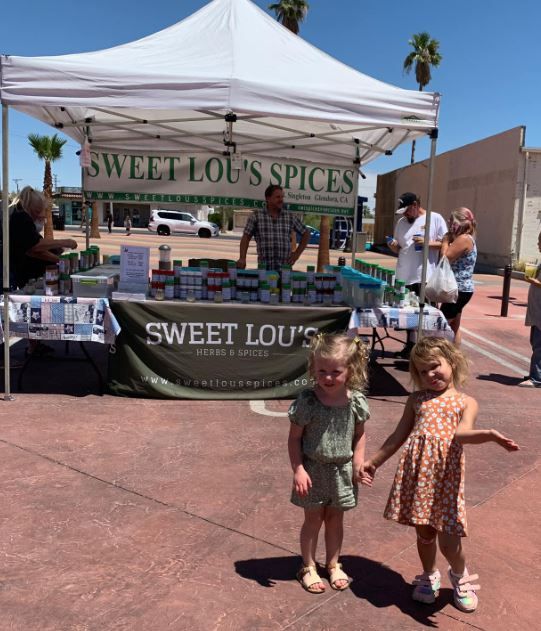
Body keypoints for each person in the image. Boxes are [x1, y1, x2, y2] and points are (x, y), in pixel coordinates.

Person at [360, 337, 519, 613]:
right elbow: (398, 435)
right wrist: (374, 462)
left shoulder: (465, 402)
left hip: (445, 478)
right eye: (422, 371)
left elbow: (462, 434)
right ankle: (429, 574)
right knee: (424, 532)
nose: (430, 374)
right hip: (418, 476)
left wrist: (489, 435)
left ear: (452, 362)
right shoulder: (416, 399)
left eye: (434, 366)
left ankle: (459, 576)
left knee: (449, 538)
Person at [288, 333, 370, 594]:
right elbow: (293, 439)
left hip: (342, 472)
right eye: (322, 371)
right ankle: (308, 566)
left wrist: (358, 464)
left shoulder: (355, 401)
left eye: (335, 371)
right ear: (313, 369)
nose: (328, 377)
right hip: (313, 470)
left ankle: (333, 563)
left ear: (351, 369)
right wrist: (299, 469)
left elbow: (359, 435)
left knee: (335, 519)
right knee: (313, 520)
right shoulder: (307, 401)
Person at [9, 186, 78, 356]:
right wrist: (65, 243)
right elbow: (34, 247)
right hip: (18, 271)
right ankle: (23, 351)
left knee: (32, 309)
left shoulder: (20, 216)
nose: (41, 214)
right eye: (39, 210)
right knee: (27, 308)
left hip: (22, 270)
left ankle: (34, 346)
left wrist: (58, 258)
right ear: (33, 207)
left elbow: (34, 248)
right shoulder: (21, 218)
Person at [387, 192, 447, 358]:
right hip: (404, 275)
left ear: (415, 205)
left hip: (424, 275)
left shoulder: (434, 218)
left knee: (427, 315)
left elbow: (445, 243)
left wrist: (427, 243)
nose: (405, 214)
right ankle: (411, 346)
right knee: (408, 314)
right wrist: (393, 246)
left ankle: (430, 350)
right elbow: (400, 247)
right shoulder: (401, 222)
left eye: (407, 210)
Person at [237, 184, 310, 270]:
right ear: (268, 198)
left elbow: (306, 233)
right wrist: (242, 258)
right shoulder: (256, 216)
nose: (281, 200)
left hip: (285, 270)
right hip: (264, 270)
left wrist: (297, 254)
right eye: (278, 197)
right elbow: (246, 237)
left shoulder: (290, 216)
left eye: (282, 197)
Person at [440, 208, 478, 346]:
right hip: (462, 289)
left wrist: (444, 241)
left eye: (451, 221)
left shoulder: (463, 239)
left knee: (440, 326)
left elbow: (445, 258)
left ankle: (444, 357)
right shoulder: (468, 238)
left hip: (458, 289)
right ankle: (456, 358)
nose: (450, 225)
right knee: (454, 327)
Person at [518, 230, 541, 387]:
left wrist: (534, 281)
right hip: (536, 309)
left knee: (539, 344)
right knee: (535, 341)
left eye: (540, 241)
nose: (538, 245)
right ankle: (536, 373)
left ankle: (537, 377)